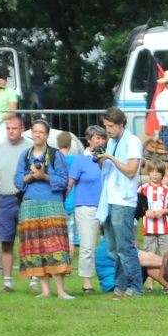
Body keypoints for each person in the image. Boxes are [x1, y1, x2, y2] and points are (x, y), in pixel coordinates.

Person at [12, 116, 75, 299]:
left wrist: (45, 176)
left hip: (52, 204)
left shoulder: (56, 155)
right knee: (36, 247)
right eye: (35, 131)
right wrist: (32, 176)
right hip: (31, 204)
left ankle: (61, 290)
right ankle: (45, 290)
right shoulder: (25, 155)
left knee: (55, 246)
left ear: (47, 135)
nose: (37, 135)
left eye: (41, 132)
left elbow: (64, 180)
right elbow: (17, 181)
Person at [94, 107, 145, 297]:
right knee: (113, 248)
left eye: (111, 126)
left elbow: (131, 171)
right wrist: (100, 158)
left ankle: (135, 287)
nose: (107, 130)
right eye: (106, 126)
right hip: (109, 199)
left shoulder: (132, 142)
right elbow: (106, 168)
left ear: (121, 123)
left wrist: (110, 157)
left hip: (125, 201)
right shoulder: (112, 142)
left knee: (126, 248)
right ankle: (120, 286)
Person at [0, 113, 28, 291]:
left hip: (26, 197)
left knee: (29, 240)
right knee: (6, 240)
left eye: (14, 128)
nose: (11, 132)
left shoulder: (31, 148)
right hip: (5, 197)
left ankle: (33, 280)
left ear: (22, 129)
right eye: (8, 128)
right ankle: (8, 282)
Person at [66, 125, 106, 293]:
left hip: (106, 205)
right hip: (86, 206)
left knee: (110, 243)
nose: (101, 141)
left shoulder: (107, 158)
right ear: (89, 140)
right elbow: (70, 183)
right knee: (88, 245)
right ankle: (86, 281)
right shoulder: (80, 160)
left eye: (103, 138)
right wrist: (61, 201)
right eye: (97, 138)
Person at [139, 165, 168, 267]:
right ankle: (150, 283)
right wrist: (145, 211)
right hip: (148, 229)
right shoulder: (142, 189)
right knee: (149, 257)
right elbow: (137, 206)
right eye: (152, 171)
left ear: (162, 174)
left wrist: (163, 211)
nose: (155, 174)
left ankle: (165, 280)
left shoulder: (167, 190)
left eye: (158, 172)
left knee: (166, 256)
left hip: (164, 229)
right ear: (148, 173)